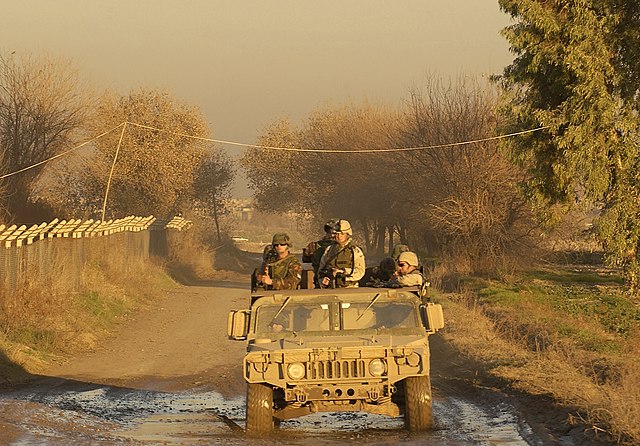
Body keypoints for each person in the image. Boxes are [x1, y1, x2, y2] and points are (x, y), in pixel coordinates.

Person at [318, 219, 365, 288]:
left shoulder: (355, 251)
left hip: (349, 287)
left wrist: (343, 272)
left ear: (347, 234)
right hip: (331, 288)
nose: (339, 236)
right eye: (337, 234)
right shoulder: (329, 249)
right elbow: (321, 269)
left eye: (342, 234)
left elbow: (360, 272)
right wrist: (324, 279)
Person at [302, 219, 336, 286]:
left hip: (340, 284)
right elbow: (305, 259)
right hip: (321, 283)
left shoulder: (347, 248)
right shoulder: (314, 246)